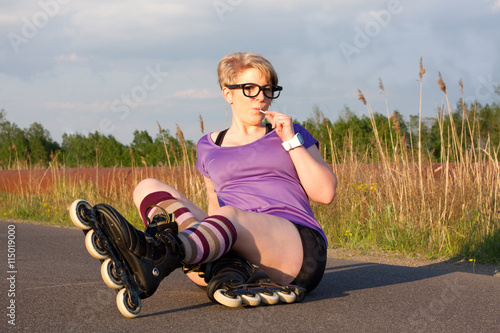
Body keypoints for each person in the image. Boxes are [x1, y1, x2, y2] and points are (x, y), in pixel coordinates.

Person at [100, 52, 337, 307]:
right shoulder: (208, 146)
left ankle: (156, 256)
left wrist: (291, 142)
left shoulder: (291, 133)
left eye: (268, 89)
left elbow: (325, 193)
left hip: (293, 249)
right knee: (147, 186)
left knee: (231, 215)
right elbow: (214, 207)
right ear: (228, 93)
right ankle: (221, 265)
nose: (261, 97)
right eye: (250, 88)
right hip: (228, 244)